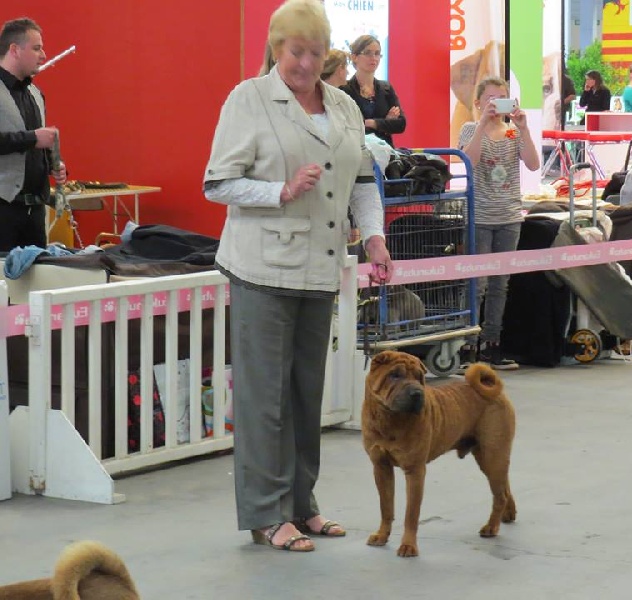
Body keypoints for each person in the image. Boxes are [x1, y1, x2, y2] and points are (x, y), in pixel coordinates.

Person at [203, 0, 393, 553]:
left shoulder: (344, 107)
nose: (306, 64)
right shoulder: (249, 99)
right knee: (265, 397)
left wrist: (374, 234)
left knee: (307, 393)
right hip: (261, 267)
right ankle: (265, 513)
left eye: (314, 52)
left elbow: (361, 180)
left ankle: (301, 504)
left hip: (320, 267)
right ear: (275, 48)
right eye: (295, 52)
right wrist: (279, 191)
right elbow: (217, 183)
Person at [458, 76, 540, 370]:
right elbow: (470, 162)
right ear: (479, 103)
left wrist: (525, 128)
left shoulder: (512, 133)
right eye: (490, 99)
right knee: (476, 284)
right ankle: (468, 344)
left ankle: (491, 345)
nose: (495, 104)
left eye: (502, 98)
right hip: (479, 216)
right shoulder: (469, 128)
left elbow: (533, 163)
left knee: (499, 285)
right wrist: (481, 124)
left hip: (509, 217)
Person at [0, 17, 67, 252]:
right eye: (37, 48)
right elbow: (32, 138)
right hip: (3, 210)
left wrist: (53, 165)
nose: (44, 55)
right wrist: (32, 138)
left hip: (35, 212)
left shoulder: (36, 93)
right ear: (15, 50)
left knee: (36, 279)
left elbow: (38, 144)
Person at [341, 34, 405, 147]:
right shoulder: (345, 90)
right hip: (357, 152)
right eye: (367, 53)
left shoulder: (386, 88)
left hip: (386, 154)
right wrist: (385, 123)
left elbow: (401, 124)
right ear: (354, 57)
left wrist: (372, 123)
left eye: (377, 53)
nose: (374, 58)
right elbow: (347, 127)